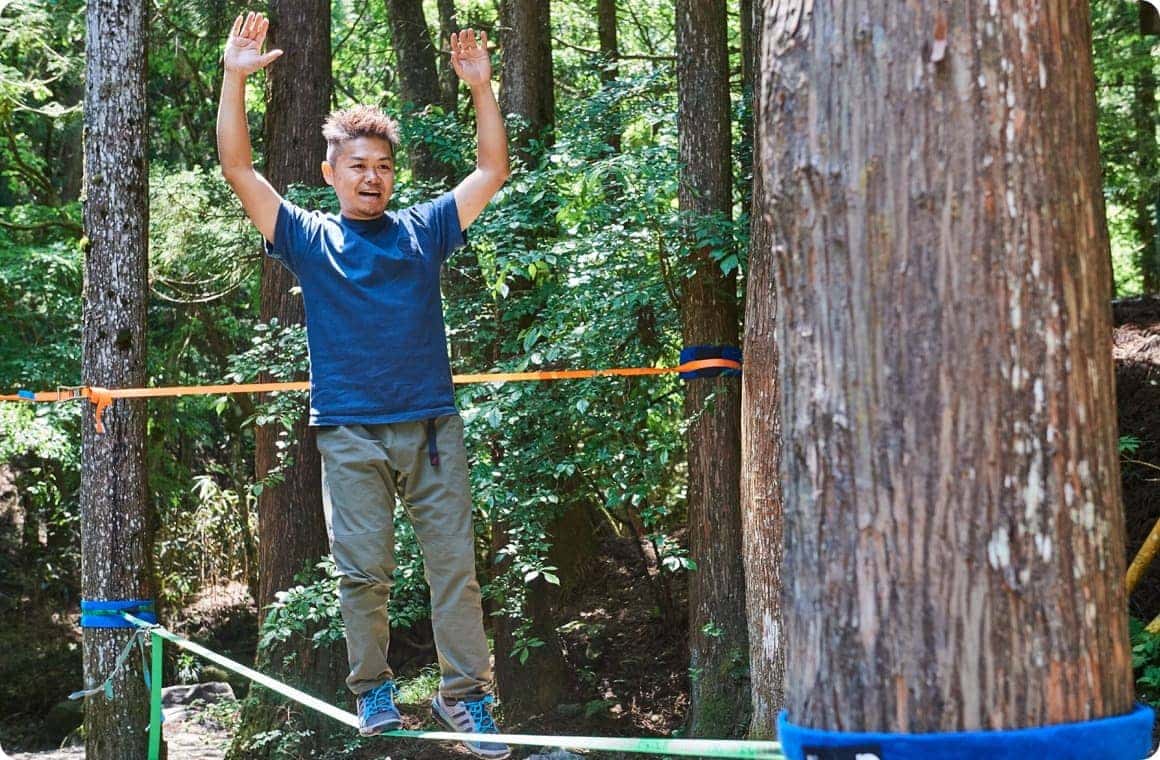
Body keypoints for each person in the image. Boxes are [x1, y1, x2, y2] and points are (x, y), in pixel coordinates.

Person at [217, 12, 511, 759]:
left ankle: (465, 698)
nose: (371, 176)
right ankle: (374, 691)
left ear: (392, 172)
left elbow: (490, 172)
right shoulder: (310, 239)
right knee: (363, 575)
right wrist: (234, 78)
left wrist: (481, 89)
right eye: (356, 165)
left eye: (381, 165)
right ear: (331, 172)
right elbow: (241, 172)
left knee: (455, 571)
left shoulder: (425, 229)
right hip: (348, 428)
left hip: (432, 428)